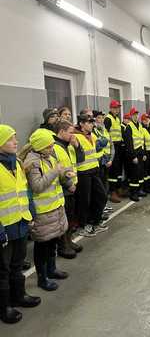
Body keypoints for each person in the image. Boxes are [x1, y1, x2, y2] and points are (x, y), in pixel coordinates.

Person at [0, 125, 41, 324]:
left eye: (16, 138)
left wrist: (31, 213)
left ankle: (19, 296)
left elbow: (25, 191)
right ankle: (5, 307)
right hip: (4, 229)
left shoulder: (16, 163)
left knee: (17, 264)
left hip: (21, 223)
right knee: (3, 269)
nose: (16, 142)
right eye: (11, 139)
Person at [24, 129, 69, 292]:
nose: (52, 149)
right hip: (43, 212)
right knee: (42, 246)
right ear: (41, 147)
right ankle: (42, 278)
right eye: (49, 146)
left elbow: (56, 173)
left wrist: (65, 173)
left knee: (52, 242)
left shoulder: (48, 158)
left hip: (55, 208)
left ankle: (52, 269)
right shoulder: (32, 162)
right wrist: (54, 172)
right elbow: (37, 186)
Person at [53, 120, 85, 259]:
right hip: (63, 188)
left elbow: (80, 159)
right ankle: (62, 246)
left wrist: (77, 146)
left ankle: (69, 240)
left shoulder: (69, 145)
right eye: (70, 132)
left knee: (71, 216)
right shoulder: (55, 148)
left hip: (73, 186)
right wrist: (68, 185)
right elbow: (58, 171)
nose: (73, 135)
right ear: (61, 132)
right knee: (63, 218)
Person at [74, 114, 108, 237]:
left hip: (94, 170)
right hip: (83, 172)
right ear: (81, 124)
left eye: (92, 122)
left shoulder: (92, 135)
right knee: (84, 200)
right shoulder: (75, 137)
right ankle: (83, 225)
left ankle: (95, 221)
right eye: (89, 122)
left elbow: (102, 143)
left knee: (101, 196)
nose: (92, 124)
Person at [124, 108, 146, 202]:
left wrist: (144, 153)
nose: (136, 116)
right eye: (134, 115)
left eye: (137, 114)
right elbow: (128, 144)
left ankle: (139, 190)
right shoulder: (129, 127)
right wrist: (133, 157)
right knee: (134, 174)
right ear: (131, 116)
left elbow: (142, 140)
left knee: (140, 172)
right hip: (134, 154)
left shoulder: (140, 126)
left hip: (140, 152)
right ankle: (133, 193)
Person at [104, 101, 123, 203]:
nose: (117, 110)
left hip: (119, 146)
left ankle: (118, 188)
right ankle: (112, 192)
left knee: (118, 169)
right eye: (115, 108)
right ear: (111, 108)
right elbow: (106, 134)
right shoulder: (108, 119)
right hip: (113, 146)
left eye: (118, 108)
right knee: (113, 170)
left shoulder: (117, 118)